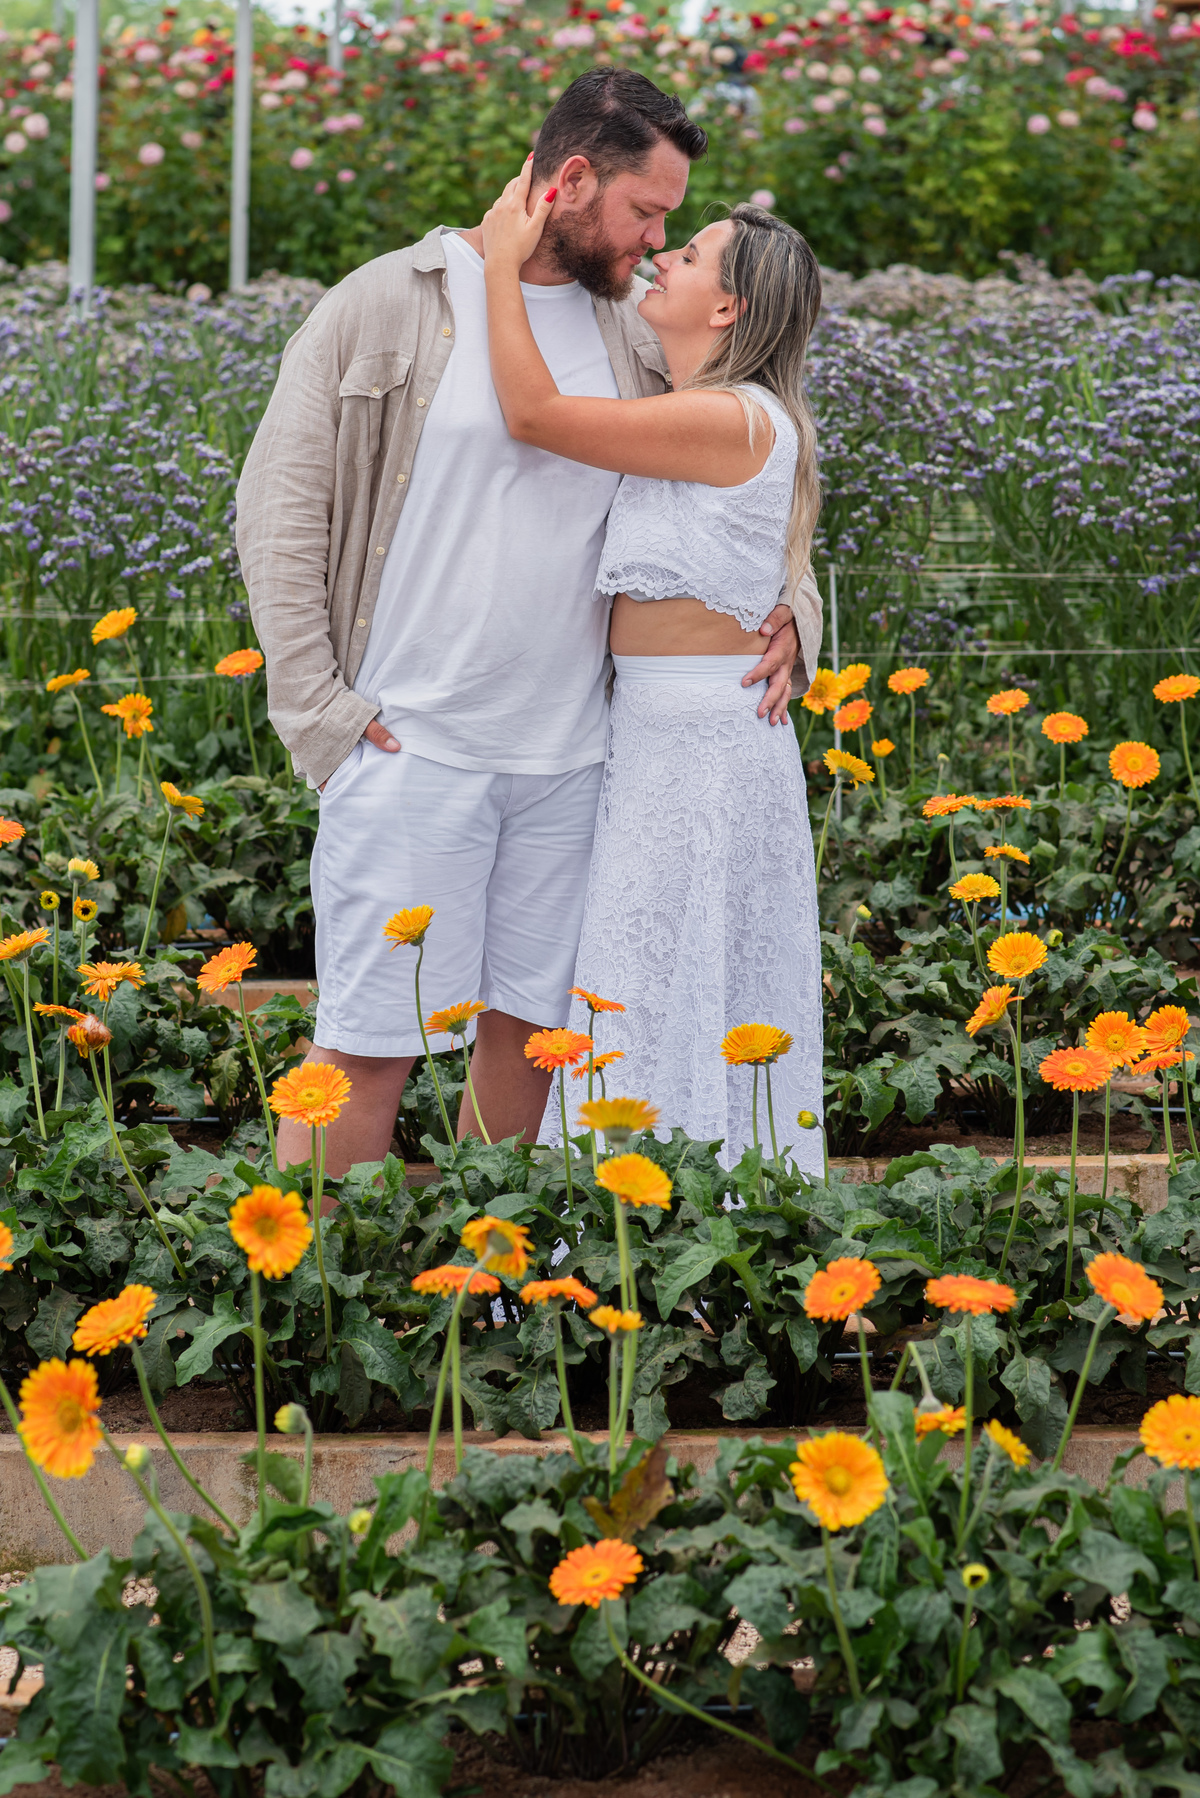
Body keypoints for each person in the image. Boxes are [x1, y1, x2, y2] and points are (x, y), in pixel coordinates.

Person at [236, 69, 803, 1175]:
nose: (656, 241)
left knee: (535, 1048)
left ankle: (478, 1311)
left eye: (675, 227)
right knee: (365, 1046)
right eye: (647, 212)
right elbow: (279, 508)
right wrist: (321, 713)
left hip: (576, 762)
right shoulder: (386, 302)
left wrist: (797, 611)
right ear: (574, 180)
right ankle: (308, 1318)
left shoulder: (636, 333)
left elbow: (749, 476)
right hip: (411, 744)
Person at [480, 165, 825, 1169]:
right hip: (659, 742)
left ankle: (678, 1222)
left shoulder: (729, 417)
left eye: (691, 253)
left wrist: (503, 265)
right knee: (649, 975)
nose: (665, 255)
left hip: (703, 753)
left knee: (667, 976)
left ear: (727, 304)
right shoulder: (705, 407)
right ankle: (641, 1215)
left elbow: (535, 415)